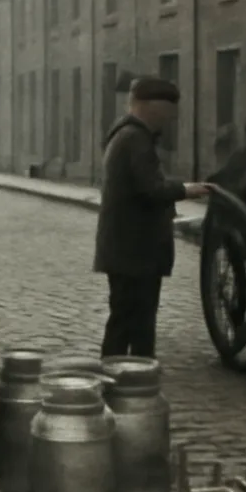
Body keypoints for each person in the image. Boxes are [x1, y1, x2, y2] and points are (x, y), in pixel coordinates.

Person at [94, 76, 209, 358]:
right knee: (134, 321)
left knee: (128, 318)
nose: (169, 120)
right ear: (150, 107)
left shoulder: (127, 134)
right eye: (167, 113)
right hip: (134, 250)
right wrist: (187, 190)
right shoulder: (135, 138)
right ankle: (128, 380)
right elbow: (151, 188)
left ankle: (126, 377)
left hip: (127, 249)